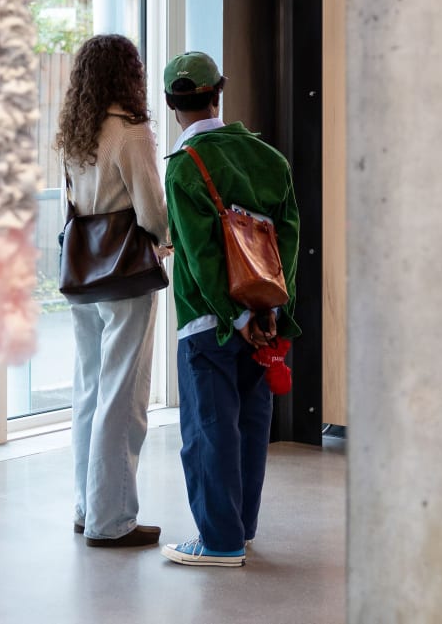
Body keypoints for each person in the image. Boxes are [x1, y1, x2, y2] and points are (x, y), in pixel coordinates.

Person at [159, 51, 301, 568]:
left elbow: (199, 260)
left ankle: (218, 542)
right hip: (266, 322)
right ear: (219, 91)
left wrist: (234, 317)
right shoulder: (270, 159)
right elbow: (287, 245)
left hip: (208, 323)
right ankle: (240, 528)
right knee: (249, 423)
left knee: (208, 428)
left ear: (173, 104)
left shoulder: (184, 167)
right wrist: (267, 315)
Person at [55, 34, 170, 548]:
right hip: (125, 274)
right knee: (123, 399)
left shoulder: (75, 131)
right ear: (130, 73)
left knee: (90, 393)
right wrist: (164, 241)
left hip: (83, 272)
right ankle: (112, 520)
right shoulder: (131, 131)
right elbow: (150, 209)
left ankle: (86, 508)